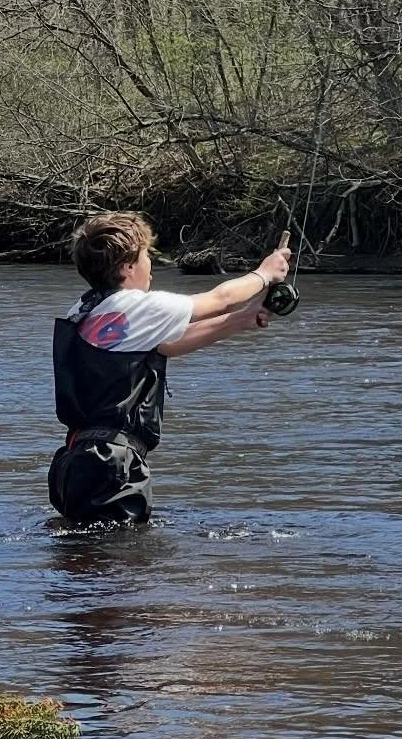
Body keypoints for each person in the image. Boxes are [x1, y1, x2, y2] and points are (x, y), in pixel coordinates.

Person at [48, 211, 292, 524]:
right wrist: (265, 273)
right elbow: (221, 298)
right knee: (120, 562)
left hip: (75, 463)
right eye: (146, 255)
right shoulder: (136, 305)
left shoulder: (89, 310)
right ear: (128, 266)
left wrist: (243, 319)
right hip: (110, 466)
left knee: (90, 556)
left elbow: (166, 345)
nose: (150, 264)